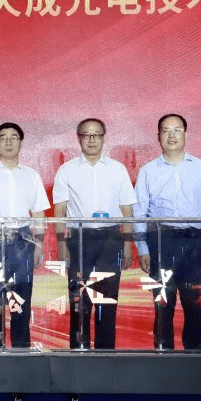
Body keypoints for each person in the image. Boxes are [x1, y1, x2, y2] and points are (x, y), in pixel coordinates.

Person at [133, 113, 201, 350]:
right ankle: (163, 358)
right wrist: (142, 247)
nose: (171, 135)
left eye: (177, 130)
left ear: (185, 134)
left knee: (194, 303)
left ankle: (195, 359)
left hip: (193, 242)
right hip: (161, 242)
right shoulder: (148, 171)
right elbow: (139, 212)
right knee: (163, 303)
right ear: (158, 136)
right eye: (166, 130)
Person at [52, 118, 136, 349]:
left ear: (104, 138)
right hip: (79, 239)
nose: (91, 140)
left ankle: (105, 354)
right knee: (79, 301)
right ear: (78, 139)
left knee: (107, 301)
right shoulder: (66, 170)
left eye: (96, 135)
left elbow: (127, 210)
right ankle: (79, 354)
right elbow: (60, 210)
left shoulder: (117, 169)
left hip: (111, 239)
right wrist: (61, 244)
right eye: (86, 135)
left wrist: (127, 244)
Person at [0, 122, 49, 348]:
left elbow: (39, 213)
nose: (9, 142)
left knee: (21, 300)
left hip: (23, 242)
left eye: (14, 137)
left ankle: (21, 352)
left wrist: (39, 245)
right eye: (3, 137)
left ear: (21, 142)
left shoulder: (31, 175)